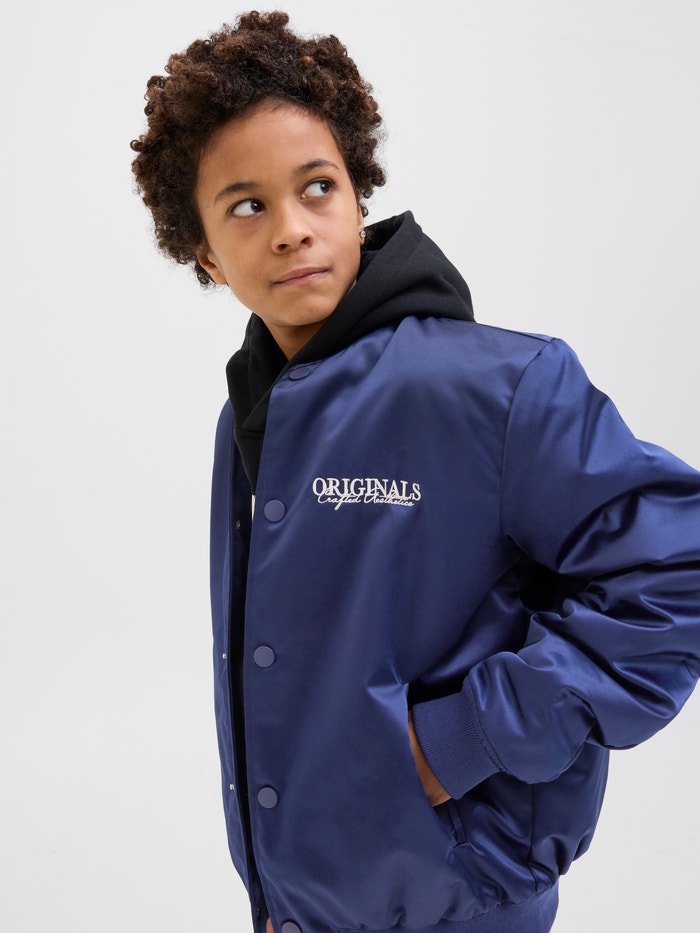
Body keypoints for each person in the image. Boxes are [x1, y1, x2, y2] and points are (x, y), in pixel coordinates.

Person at [131, 11, 700, 933]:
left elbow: (676, 570)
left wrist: (461, 738)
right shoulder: (246, 419)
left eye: (317, 187)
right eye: (246, 206)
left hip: (458, 902)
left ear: (358, 199)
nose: (291, 229)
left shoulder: (497, 388)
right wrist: (277, 895)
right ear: (203, 250)